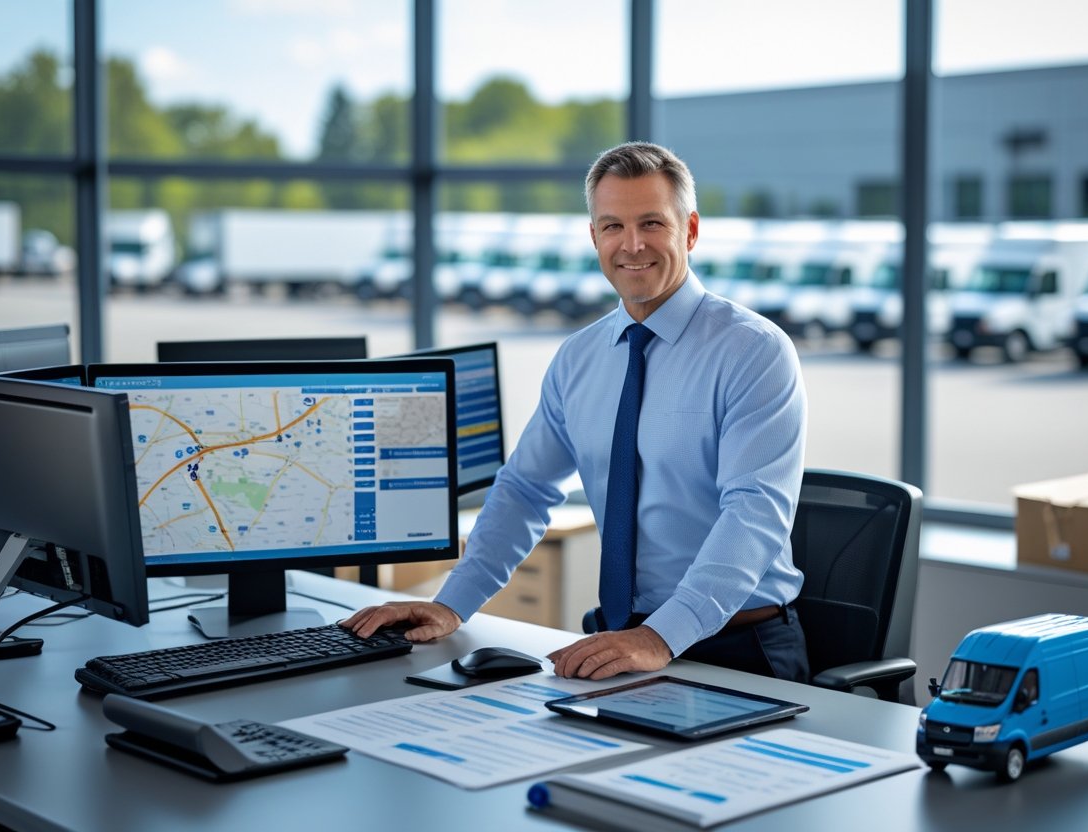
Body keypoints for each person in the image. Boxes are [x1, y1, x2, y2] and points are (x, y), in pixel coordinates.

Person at [343, 141, 809, 682]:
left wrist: (662, 636)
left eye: (652, 223)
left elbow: (753, 512)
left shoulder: (753, 351)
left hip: (739, 646)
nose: (632, 245)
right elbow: (525, 488)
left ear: (690, 230)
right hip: (620, 639)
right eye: (613, 226)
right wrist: (453, 603)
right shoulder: (579, 357)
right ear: (594, 237)